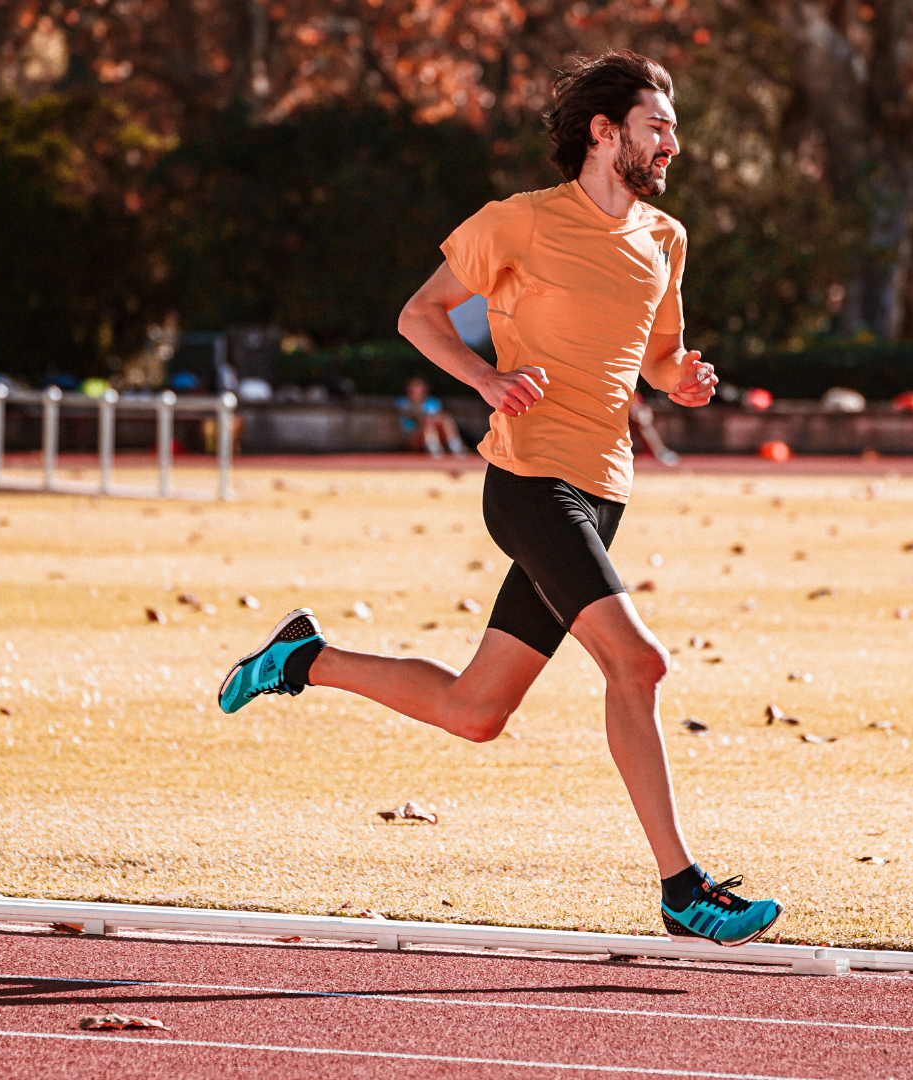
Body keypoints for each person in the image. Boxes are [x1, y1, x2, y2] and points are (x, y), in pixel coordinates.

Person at [218, 50, 783, 947]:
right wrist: (485, 379)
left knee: (475, 713)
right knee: (639, 665)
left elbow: (660, 356)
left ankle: (302, 659)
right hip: (529, 485)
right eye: (658, 125)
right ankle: (683, 889)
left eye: (673, 128)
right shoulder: (518, 223)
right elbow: (419, 314)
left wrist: (686, 382)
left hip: (604, 491)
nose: (673, 142)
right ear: (606, 133)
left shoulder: (665, 239)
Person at [395, 376, 466, 457]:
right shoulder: (403, 402)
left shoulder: (432, 402)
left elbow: (438, 416)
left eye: (419, 388)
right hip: (413, 437)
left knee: (445, 419)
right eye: (415, 388)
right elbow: (415, 418)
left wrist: (433, 419)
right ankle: (434, 449)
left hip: (434, 431)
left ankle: (455, 446)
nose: (417, 391)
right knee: (428, 423)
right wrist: (427, 419)